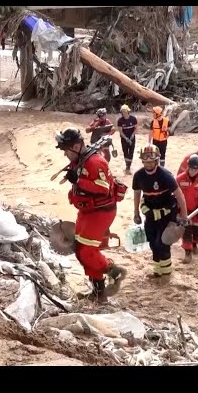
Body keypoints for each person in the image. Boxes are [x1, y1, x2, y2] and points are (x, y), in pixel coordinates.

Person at [55, 127, 127, 302]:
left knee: (87, 251)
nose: (65, 154)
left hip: (100, 212)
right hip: (88, 211)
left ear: (77, 146)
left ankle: (114, 271)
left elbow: (103, 188)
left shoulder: (95, 162)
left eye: (66, 150)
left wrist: (78, 181)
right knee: (81, 249)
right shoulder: (81, 160)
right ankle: (98, 293)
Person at [132, 144, 188, 278]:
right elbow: (137, 194)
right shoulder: (138, 176)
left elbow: (180, 196)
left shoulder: (166, 176)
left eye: (151, 160)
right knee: (152, 242)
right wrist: (136, 212)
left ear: (157, 160)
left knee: (163, 242)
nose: (148, 163)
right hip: (151, 214)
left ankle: (166, 272)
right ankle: (157, 271)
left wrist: (184, 216)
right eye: (146, 160)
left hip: (167, 214)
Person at [117, 104, 137, 173]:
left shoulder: (133, 119)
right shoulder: (120, 120)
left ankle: (129, 167)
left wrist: (132, 136)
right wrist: (126, 138)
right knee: (125, 152)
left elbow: (135, 128)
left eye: (125, 111)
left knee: (131, 152)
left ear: (128, 111)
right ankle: (127, 166)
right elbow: (120, 131)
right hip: (124, 139)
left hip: (132, 138)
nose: (124, 113)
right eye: (123, 111)